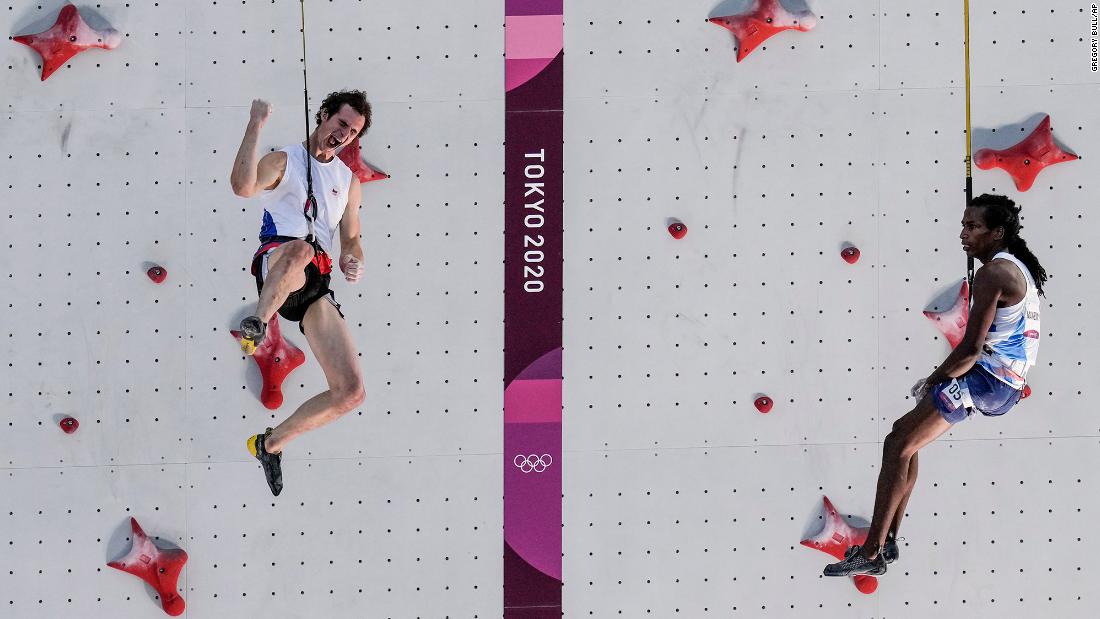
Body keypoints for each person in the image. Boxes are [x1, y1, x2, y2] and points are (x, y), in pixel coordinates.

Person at [824, 193, 1046, 576]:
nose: (963, 234)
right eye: (963, 224)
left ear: (997, 232)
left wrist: (936, 378)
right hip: (1000, 383)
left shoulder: (994, 273)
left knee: (898, 444)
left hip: (987, 378)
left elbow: (972, 349)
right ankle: (888, 541)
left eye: (972, 226)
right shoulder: (1014, 267)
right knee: (902, 439)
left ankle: (872, 551)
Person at [228, 90, 371, 496]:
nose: (343, 135)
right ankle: (259, 320)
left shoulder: (348, 182)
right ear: (323, 115)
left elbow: (353, 239)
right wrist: (255, 124)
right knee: (302, 249)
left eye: (353, 132)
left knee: (350, 392)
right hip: (279, 261)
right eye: (341, 124)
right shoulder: (285, 161)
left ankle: (270, 444)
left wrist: (352, 260)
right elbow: (242, 187)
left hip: (316, 283)